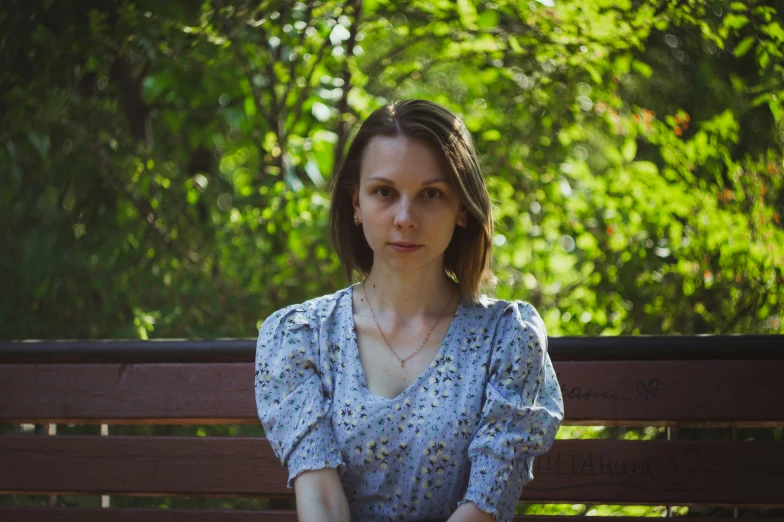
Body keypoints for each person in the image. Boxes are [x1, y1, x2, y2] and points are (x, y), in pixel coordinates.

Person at [254, 99, 564, 522]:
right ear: (355, 204)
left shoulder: (507, 338)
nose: (405, 217)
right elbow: (322, 505)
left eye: (431, 194)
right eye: (384, 192)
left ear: (461, 209)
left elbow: (485, 507)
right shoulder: (301, 337)